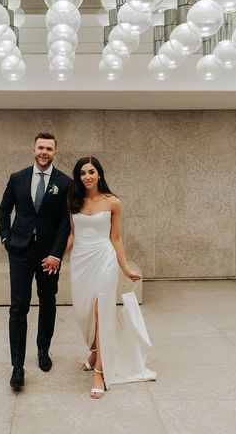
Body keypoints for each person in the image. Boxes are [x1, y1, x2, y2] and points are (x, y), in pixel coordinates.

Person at [67, 156, 156, 399]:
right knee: (83, 311)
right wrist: (53, 256)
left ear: (99, 174)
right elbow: (73, 235)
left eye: (91, 172)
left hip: (104, 260)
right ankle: (95, 351)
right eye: (83, 173)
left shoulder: (113, 202)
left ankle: (99, 371)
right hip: (80, 262)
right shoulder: (74, 201)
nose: (87, 176)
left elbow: (115, 238)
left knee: (101, 313)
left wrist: (125, 268)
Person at [0, 132, 72, 392]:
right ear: (33, 150)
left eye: (49, 149)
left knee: (48, 301)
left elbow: (65, 222)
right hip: (19, 252)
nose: (44, 152)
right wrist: (6, 238)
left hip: (48, 255)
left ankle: (43, 349)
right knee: (18, 307)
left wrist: (56, 254)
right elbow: (4, 209)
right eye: (41, 147)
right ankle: (17, 366)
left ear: (55, 152)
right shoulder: (17, 178)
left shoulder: (65, 182)